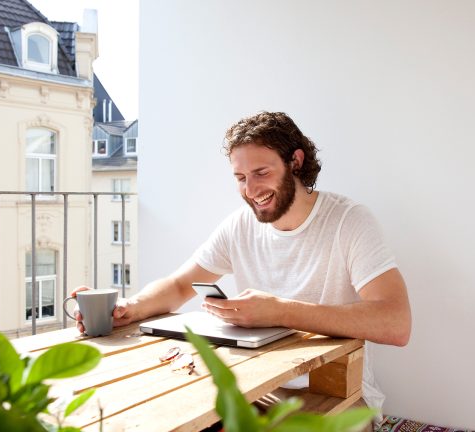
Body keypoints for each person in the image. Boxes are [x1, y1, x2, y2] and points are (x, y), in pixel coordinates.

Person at [74, 111, 411, 416]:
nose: (251, 190)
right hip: (258, 388)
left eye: (261, 172)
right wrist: (130, 308)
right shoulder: (240, 226)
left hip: (338, 395)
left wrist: (279, 311)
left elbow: (396, 323)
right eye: (240, 177)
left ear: (295, 161)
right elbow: (180, 285)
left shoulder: (348, 221)